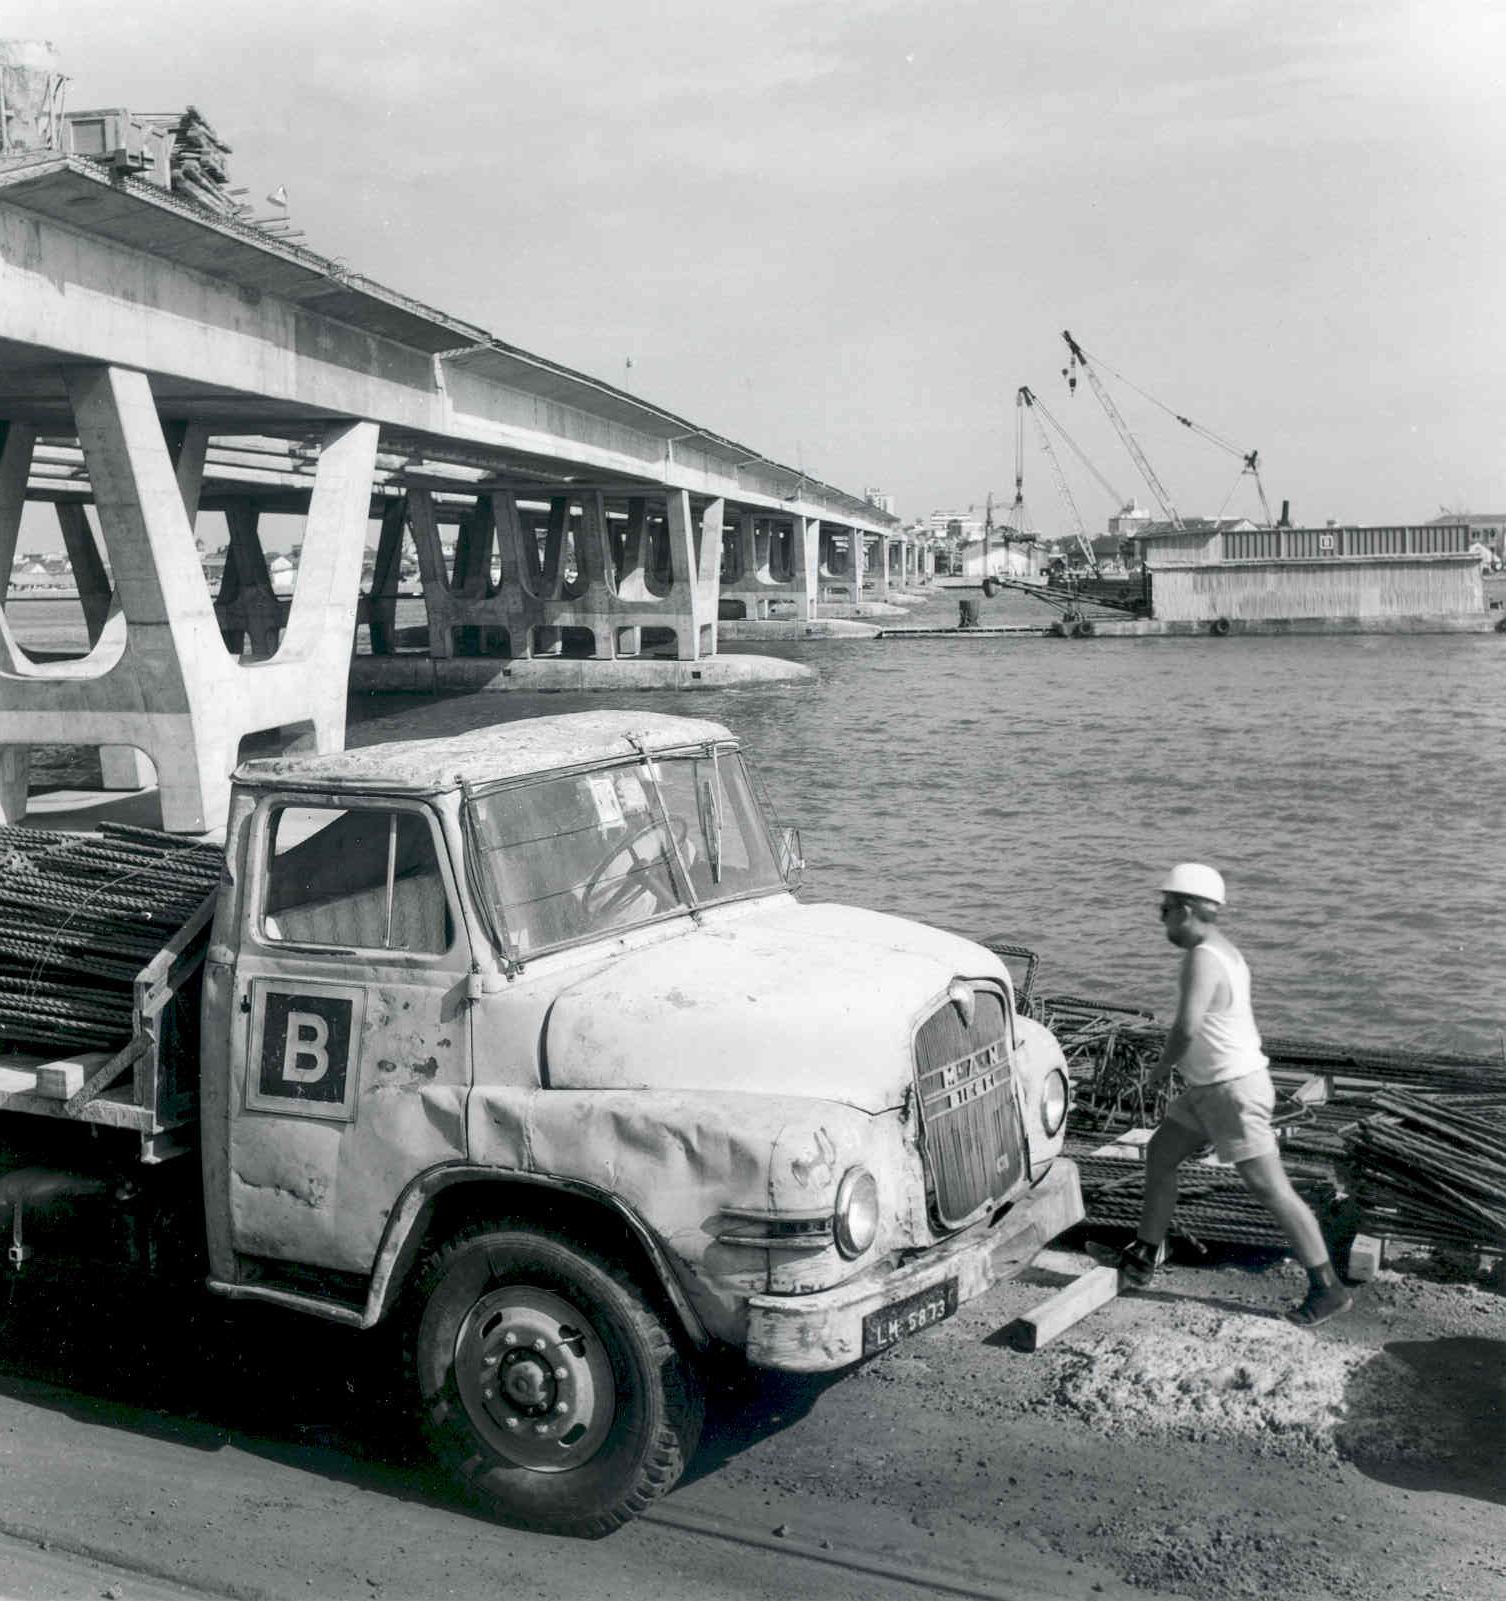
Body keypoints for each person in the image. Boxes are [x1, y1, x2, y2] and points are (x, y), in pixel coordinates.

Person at [1118, 863, 1354, 1327]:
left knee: (1271, 1188)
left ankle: (1329, 1289)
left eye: (1164, 910)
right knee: (1161, 1154)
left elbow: (1186, 1027)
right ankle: (1144, 1255)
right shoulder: (1227, 952)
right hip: (1212, 1089)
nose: (1160, 918)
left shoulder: (1203, 957)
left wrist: (1160, 1070)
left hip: (1232, 1093)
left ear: (1185, 910)